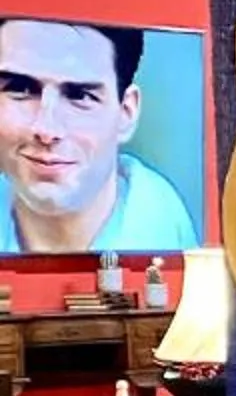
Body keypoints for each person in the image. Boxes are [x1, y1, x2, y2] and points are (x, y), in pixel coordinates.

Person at [0, 20, 200, 254]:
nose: (47, 130)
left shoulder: (177, 250)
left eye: (80, 96)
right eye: (21, 89)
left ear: (126, 113)